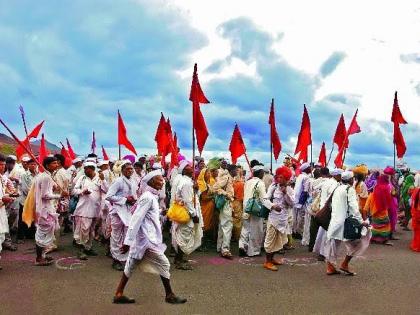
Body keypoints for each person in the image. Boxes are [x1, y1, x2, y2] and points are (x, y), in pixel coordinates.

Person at [113, 170, 187, 305]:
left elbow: (148, 213)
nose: (162, 181)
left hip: (144, 239)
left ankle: (118, 293)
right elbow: (136, 218)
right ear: (152, 181)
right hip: (146, 239)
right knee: (164, 263)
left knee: (130, 265)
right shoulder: (148, 196)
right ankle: (169, 295)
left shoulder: (151, 196)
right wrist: (128, 242)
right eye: (159, 179)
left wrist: (161, 212)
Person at [324, 171, 371, 276]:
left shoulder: (337, 188)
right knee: (360, 241)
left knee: (334, 245)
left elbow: (330, 204)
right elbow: (354, 207)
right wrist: (361, 221)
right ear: (351, 180)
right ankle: (344, 264)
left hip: (335, 221)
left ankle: (330, 267)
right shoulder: (349, 190)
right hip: (346, 223)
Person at [33, 156, 69, 266]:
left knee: (46, 232)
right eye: (54, 163)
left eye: (57, 163)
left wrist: (53, 190)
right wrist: (59, 195)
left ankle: (42, 255)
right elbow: (45, 195)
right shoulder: (46, 177)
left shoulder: (45, 176)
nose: (56, 165)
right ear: (47, 165)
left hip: (45, 208)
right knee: (42, 234)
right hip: (44, 210)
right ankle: (39, 259)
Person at [239, 164, 278, 257]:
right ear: (260, 173)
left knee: (245, 228)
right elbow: (264, 199)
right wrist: (272, 206)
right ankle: (253, 251)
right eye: (263, 173)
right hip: (255, 209)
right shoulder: (260, 183)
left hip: (246, 207)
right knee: (256, 230)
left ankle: (242, 246)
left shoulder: (248, 182)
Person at [105, 161, 138, 271]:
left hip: (128, 211)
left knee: (126, 235)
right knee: (116, 236)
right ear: (122, 170)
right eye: (127, 169)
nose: (130, 171)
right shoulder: (118, 181)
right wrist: (124, 200)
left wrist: (134, 200)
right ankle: (115, 259)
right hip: (118, 212)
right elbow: (109, 196)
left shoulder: (133, 181)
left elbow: (134, 195)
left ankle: (124, 258)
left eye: (131, 169)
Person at [72, 161, 108, 260]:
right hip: (83, 209)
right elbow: (74, 191)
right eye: (84, 168)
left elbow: (106, 190)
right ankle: (81, 250)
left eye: (87, 168)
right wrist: (82, 191)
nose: (85, 170)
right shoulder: (82, 178)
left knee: (91, 230)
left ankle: (88, 248)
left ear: (92, 169)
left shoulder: (99, 178)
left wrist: (104, 180)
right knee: (83, 230)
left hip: (95, 209)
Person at [171, 160, 203, 270]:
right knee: (184, 236)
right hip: (187, 214)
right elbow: (188, 201)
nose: (192, 167)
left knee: (184, 235)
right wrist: (194, 215)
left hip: (189, 212)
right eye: (189, 166)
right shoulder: (186, 183)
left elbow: (195, 197)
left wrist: (196, 189)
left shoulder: (189, 182)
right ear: (184, 170)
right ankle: (180, 261)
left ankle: (178, 258)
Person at [264, 166, 294, 271]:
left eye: (282, 177)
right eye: (278, 177)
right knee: (270, 240)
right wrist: (272, 206)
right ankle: (267, 262)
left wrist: (285, 193)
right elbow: (265, 200)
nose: (279, 179)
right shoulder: (273, 187)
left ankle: (272, 259)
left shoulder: (289, 189)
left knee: (279, 241)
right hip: (273, 218)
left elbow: (292, 204)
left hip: (283, 219)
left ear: (287, 178)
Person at [313, 168, 342, 261]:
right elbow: (332, 199)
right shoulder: (334, 184)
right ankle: (323, 253)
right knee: (327, 233)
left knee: (322, 232)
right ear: (336, 175)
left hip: (323, 209)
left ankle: (321, 252)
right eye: (340, 175)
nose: (341, 177)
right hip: (328, 210)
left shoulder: (327, 182)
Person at [213, 164, 236, 259]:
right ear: (232, 171)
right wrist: (225, 194)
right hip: (226, 204)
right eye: (236, 170)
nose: (237, 172)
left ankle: (220, 247)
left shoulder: (229, 178)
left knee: (222, 226)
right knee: (227, 226)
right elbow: (215, 187)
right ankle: (225, 250)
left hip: (227, 204)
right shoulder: (226, 178)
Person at [364, 175, 393, 245]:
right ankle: (385, 240)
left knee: (375, 227)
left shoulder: (371, 195)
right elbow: (388, 206)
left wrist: (365, 218)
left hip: (374, 216)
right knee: (386, 227)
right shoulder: (386, 193)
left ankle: (373, 239)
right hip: (384, 216)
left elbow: (365, 208)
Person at [196, 158, 218, 237]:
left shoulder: (208, 183)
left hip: (209, 207)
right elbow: (203, 198)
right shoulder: (201, 184)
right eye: (207, 173)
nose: (209, 174)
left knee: (209, 223)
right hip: (204, 207)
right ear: (203, 174)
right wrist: (213, 196)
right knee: (204, 223)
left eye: (209, 173)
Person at [17, 158, 38, 242]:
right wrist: (36, 194)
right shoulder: (24, 175)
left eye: (34, 164)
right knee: (23, 218)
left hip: (34, 200)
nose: (33, 166)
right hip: (25, 200)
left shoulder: (38, 175)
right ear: (28, 165)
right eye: (31, 164)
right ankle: (20, 237)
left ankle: (30, 235)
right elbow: (25, 189)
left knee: (32, 218)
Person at [0, 154, 15, 270]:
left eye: (3, 165)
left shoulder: (2, 178)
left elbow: (9, 190)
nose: (2, 167)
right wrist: (3, 200)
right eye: (0, 165)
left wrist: (9, 195)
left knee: (1, 236)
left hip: (1, 212)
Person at [293, 162, 312, 244]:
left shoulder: (300, 176)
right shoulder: (306, 178)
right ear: (306, 169)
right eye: (309, 167)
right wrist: (302, 202)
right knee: (301, 218)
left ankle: (294, 231)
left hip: (295, 199)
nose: (311, 169)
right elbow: (305, 191)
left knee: (295, 217)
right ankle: (298, 232)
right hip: (301, 200)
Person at [410, 187, 420, 252]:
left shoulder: (416, 190)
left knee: (417, 231)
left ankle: (416, 245)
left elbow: (412, 202)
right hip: (418, 213)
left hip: (415, 213)